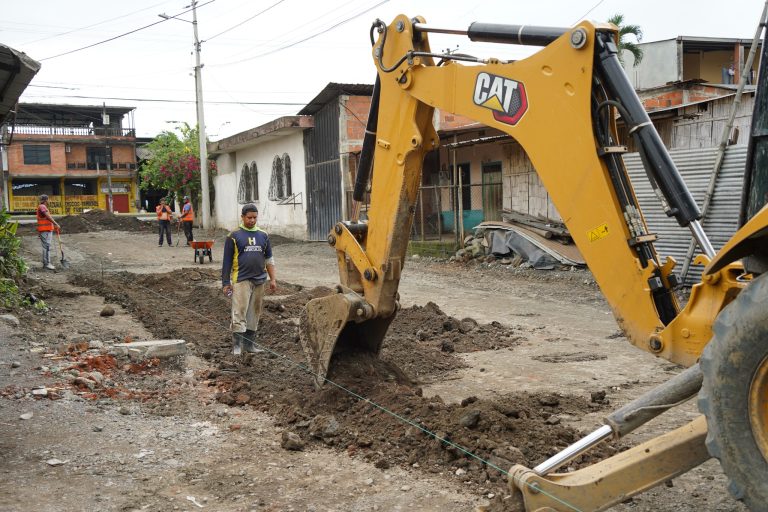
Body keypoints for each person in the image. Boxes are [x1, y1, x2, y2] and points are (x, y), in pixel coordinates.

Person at [221, 204, 277, 355]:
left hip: (260, 280)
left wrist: (273, 279)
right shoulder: (234, 236)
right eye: (249, 218)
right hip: (241, 279)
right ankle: (237, 346)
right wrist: (226, 283)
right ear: (242, 217)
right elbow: (226, 262)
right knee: (239, 311)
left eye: (255, 218)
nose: (252, 220)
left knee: (254, 313)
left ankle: (249, 345)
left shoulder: (263, 235)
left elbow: (269, 259)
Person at [36, 194, 60, 270]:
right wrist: (55, 223)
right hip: (45, 231)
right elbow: (47, 216)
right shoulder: (42, 206)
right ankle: (47, 264)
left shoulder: (43, 207)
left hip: (46, 230)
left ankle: (47, 263)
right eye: (48, 200)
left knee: (47, 247)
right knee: (46, 247)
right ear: (46, 200)